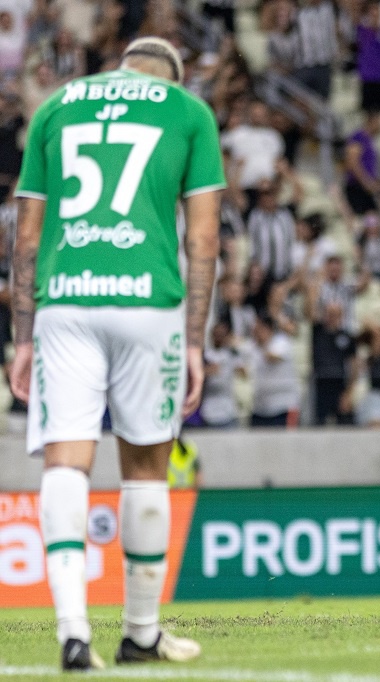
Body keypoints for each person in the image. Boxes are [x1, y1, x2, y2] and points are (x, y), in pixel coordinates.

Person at [10, 37, 222, 669]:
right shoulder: (186, 111)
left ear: (122, 66)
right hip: (147, 304)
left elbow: (25, 236)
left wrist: (22, 337)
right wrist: (192, 340)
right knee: (146, 471)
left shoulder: (57, 106)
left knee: (66, 465)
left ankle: (74, 633)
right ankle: (141, 632)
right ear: (171, 76)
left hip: (66, 301)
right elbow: (204, 237)